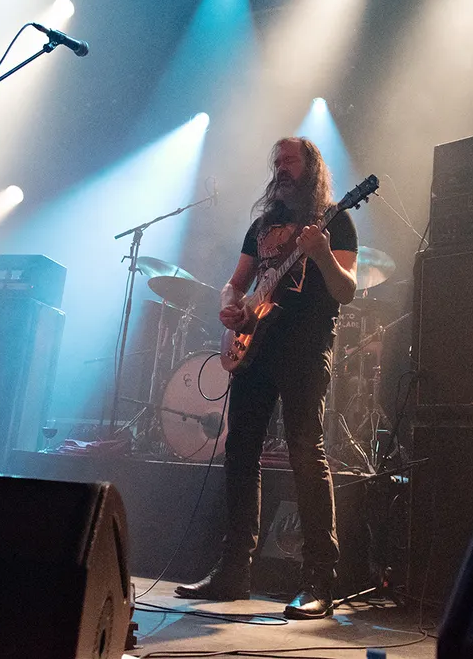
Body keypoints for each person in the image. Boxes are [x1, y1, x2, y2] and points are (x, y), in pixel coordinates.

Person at [175, 137, 358, 619]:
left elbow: (346, 290)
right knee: (240, 451)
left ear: (311, 167)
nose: (280, 168)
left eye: (289, 160)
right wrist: (229, 306)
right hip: (255, 346)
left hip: (305, 347)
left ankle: (319, 579)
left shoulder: (336, 220)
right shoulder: (262, 228)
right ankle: (234, 571)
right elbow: (235, 283)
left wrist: (321, 254)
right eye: (276, 161)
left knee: (305, 452)